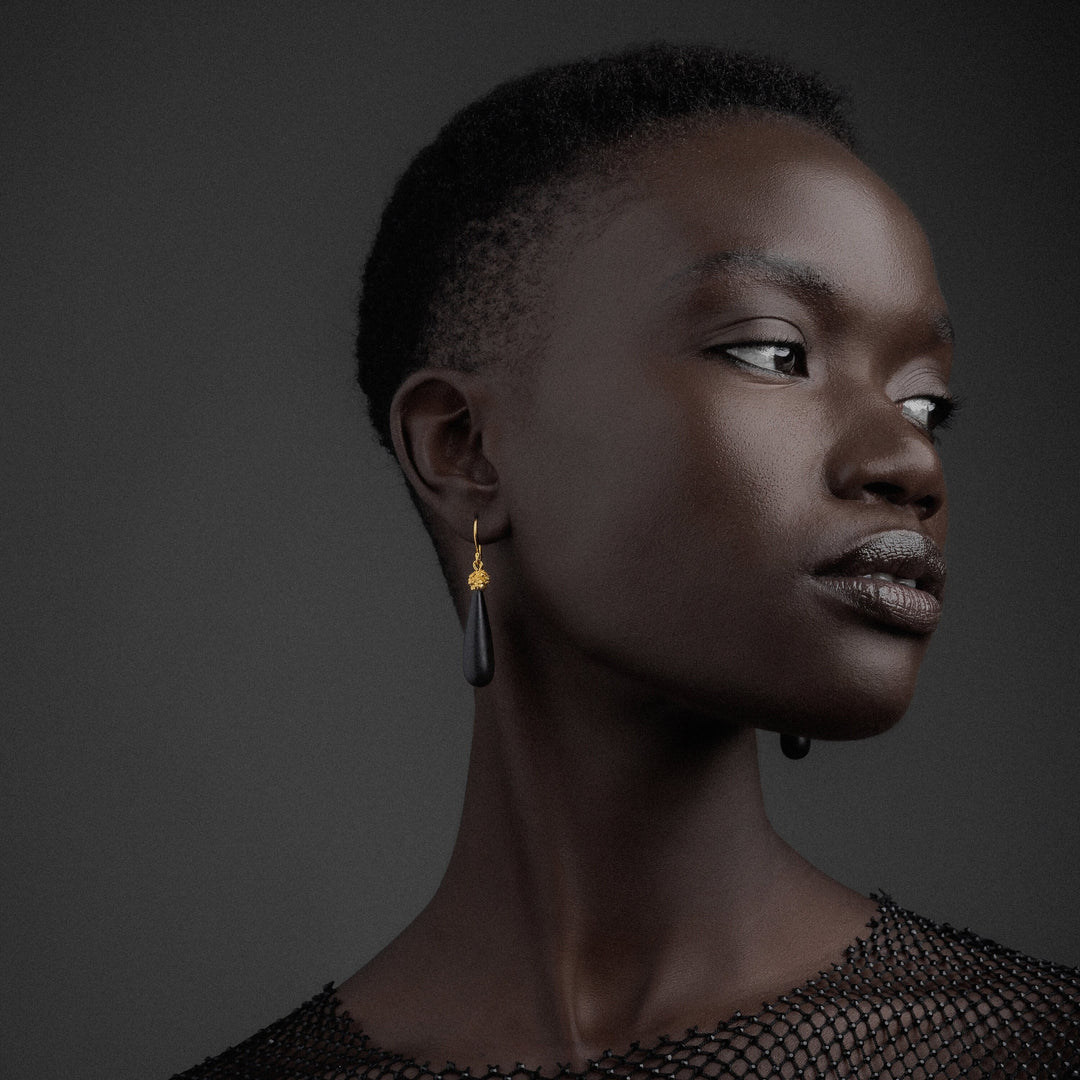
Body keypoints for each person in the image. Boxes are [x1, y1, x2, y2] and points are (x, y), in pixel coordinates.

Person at [175, 43, 1080, 1079]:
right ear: (464, 448)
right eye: (776, 353)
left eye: (925, 402)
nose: (911, 459)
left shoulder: (1028, 1047)